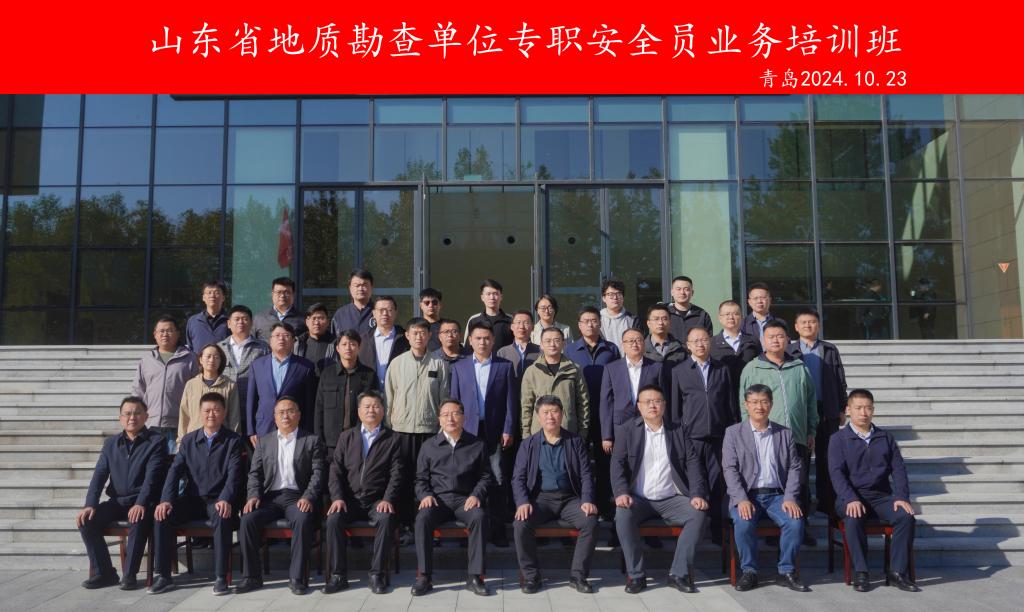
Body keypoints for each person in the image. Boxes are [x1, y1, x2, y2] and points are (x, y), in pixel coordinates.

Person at [612, 385, 709, 594]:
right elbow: (617, 465)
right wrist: (621, 493)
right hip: (638, 499)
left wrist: (697, 494)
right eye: (647, 402)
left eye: (657, 401)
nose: (652, 406)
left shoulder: (678, 430)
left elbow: (693, 463)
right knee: (622, 515)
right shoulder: (627, 430)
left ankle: (678, 573)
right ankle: (636, 576)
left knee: (698, 514)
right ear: (639, 406)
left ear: (664, 405)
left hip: (671, 497)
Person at [150, 392, 243, 595]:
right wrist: (166, 500)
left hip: (218, 500)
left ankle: (221, 577)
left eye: (216, 410)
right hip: (193, 499)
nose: (211, 414)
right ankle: (164, 576)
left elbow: (234, 475)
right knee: (162, 515)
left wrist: (226, 498)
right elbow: (174, 472)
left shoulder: (233, 441)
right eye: (207, 410)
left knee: (222, 516)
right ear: (200, 413)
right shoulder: (189, 440)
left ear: (224, 413)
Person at [829, 389, 919, 592]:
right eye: (858, 408)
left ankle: (897, 572)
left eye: (868, 408)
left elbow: (899, 469)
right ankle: (861, 572)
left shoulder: (885, 438)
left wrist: (901, 497)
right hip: (850, 497)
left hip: (880, 497)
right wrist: (850, 498)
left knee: (905, 516)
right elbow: (836, 473)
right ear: (848, 410)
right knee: (853, 517)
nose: (863, 413)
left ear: (873, 410)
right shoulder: (838, 439)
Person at [722, 384, 808, 593]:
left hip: (777, 495)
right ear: (746, 405)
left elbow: (795, 467)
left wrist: (790, 497)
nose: (759, 407)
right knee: (743, 522)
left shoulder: (784, 433)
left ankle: (786, 571)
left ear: (771, 404)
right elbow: (729, 468)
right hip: (748, 495)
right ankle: (749, 571)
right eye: (754, 402)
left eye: (763, 402)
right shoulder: (733, 433)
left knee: (795, 522)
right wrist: (741, 499)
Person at [236, 397, 325, 595]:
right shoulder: (264, 442)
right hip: (270, 498)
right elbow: (255, 474)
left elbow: (318, 473)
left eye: (290, 411)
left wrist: (308, 497)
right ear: (275, 417)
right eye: (281, 412)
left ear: (299, 415)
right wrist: (253, 496)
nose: (286, 416)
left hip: (297, 497)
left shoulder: (311, 440)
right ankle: (251, 577)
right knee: (248, 519)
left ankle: (297, 578)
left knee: (302, 518)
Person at [76, 397, 168, 590]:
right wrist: (90, 504)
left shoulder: (156, 441)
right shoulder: (111, 443)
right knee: (87, 521)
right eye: (127, 413)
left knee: (138, 518)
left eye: (137, 413)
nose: (132, 417)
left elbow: (152, 478)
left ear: (146, 417)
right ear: (120, 418)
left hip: (144, 502)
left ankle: (130, 574)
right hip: (118, 501)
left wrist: (141, 503)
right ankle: (105, 573)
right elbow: (99, 475)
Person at [739, 320, 818, 543]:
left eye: (780, 336)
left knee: (799, 483)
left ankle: (800, 527)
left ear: (788, 340)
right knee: (775, 485)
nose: (776, 340)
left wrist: (811, 430)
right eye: (771, 336)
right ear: (763, 341)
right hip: (766, 438)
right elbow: (743, 406)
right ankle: (775, 528)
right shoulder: (752, 368)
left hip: (797, 435)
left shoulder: (799, 367)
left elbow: (810, 401)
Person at [512, 396, 598, 594]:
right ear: (538, 417)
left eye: (554, 411)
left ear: (562, 414)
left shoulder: (575, 442)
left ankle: (578, 576)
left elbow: (586, 474)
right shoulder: (529, 444)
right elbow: (518, 478)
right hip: (541, 499)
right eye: (545, 412)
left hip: (570, 499)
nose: (550, 416)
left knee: (590, 521)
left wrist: (587, 500)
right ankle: (531, 576)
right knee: (521, 523)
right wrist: (522, 502)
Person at [323, 390, 405, 595]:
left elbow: (397, 474)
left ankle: (377, 574)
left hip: (376, 501)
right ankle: (338, 575)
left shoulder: (393, 439)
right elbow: (335, 471)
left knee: (386, 518)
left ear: (383, 410)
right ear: (359, 411)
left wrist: (387, 499)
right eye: (366, 406)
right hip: (349, 500)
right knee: (333, 519)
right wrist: (337, 498)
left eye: (376, 406)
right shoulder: (346, 437)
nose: (371, 410)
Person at [412, 399, 493, 597]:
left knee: (479, 517)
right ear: (439, 419)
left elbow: (486, 477)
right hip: (437, 500)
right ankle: (424, 576)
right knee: (422, 518)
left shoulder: (477, 444)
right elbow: (420, 479)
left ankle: (475, 577)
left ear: (464, 417)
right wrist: (425, 495)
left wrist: (476, 495)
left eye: (455, 413)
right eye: (445, 414)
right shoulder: (429, 446)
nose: (450, 418)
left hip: (465, 500)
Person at [450, 320, 517, 547]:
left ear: (493, 340)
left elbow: (510, 403)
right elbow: (454, 401)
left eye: (487, 338)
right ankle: (467, 531)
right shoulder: (459, 367)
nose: (482, 342)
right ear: (470, 341)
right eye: (478, 338)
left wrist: (508, 428)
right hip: (467, 431)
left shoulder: (504, 366)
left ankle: (498, 530)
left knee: (497, 478)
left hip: (494, 430)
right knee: (466, 478)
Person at [384, 317, 451, 544]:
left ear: (429, 336)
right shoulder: (397, 364)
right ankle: (405, 526)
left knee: (429, 480)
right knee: (402, 479)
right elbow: (389, 399)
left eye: (423, 333)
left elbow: (444, 399)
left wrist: (442, 431)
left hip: (430, 431)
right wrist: (389, 430)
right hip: (401, 431)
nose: (419, 337)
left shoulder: (439, 364)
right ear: (407, 336)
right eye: (414, 333)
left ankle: (429, 527)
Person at [670, 326, 740, 544]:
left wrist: (732, 432)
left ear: (710, 342)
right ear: (688, 345)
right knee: (694, 484)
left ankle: (717, 530)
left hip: (719, 436)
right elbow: (675, 409)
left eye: (704, 340)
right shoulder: (679, 371)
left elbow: (730, 404)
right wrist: (678, 436)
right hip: (691, 438)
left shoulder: (722, 369)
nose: (700, 344)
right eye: (695, 341)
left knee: (718, 483)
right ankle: (696, 530)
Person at [787, 308, 848, 518]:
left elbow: (840, 379)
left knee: (828, 456)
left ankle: (827, 503)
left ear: (818, 325)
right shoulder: (789, 350)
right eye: (803, 322)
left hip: (826, 407)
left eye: (812, 322)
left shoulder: (829, 349)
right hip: (801, 410)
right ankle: (802, 504)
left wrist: (842, 407)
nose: (808, 325)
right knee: (801, 458)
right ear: (796, 327)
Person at [566, 306, 620, 518]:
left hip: (605, 415)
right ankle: (581, 507)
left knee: (605, 463)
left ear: (600, 323)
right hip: (579, 415)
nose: (590, 324)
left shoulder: (611, 349)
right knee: (578, 462)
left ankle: (605, 508)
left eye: (594, 320)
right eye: (586, 321)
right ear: (579, 325)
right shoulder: (570, 350)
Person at [130, 316, 199, 453]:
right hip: (150, 425)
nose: (165, 334)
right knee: (151, 463)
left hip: (179, 425)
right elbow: (138, 392)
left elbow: (196, 391)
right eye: (161, 331)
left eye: (169, 330)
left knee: (174, 464)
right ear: (155, 334)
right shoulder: (147, 360)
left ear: (178, 333)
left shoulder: (190, 358)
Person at [246, 323, 317, 443]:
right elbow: (251, 400)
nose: (281, 339)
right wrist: (251, 430)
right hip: (264, 427)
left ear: (293, 341)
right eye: (277, 335)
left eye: (286, 335)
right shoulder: (257, 365)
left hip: (294, 427)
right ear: (270, 340)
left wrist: (307, 430)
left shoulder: (305, 367)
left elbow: (309, 403)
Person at [314, 330, 380, 457]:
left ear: (359, 347)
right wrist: (319, 440)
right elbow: (319, 408)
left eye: (352, 344)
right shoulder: (327, 374)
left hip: (360, 440)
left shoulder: (369, 375)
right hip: (331, 442)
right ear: (337, 348)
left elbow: (375, 409)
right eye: (344, 344)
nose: (348, 348)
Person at [520, 327, 590, 441]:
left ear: (563, 344)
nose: (552, 344)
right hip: (539, 433)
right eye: (548, 341)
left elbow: (583, 403)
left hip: (568, 432)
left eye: (557, 340)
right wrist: (526, 435)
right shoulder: (532, 371)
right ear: (541, 345)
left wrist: (583, 432)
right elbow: (526, 406)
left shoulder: (574, 370)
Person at [218, 305, 271, 440]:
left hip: (252, 409)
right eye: (236, 319)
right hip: (225, 408)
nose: (241, 322)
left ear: (251, 323)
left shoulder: (263, 349)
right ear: (229, 323)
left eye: (245, 319)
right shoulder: (219, 348)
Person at [178, 343, 240, 445]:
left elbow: (234, 417)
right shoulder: (191, 384)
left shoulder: (230, 385)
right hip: (194, 441)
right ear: (200, 359)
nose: (212, 360)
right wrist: (181, 442)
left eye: (216, 357)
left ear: (221, 361)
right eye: (208, 356)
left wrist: (234, 443)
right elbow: (184, 415)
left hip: (221, 441)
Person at [358, 296, 409, 389]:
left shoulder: (406, 339)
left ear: (396, 313)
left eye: (389, 310)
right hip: (369, 392)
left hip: (398, 391)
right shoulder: (363, 340)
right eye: (381, 310)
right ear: (374, 313)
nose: (385, 313)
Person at [710, 300, 760, 390]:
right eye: (727, 314)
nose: (731, 317)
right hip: (722, 393)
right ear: (720, 318)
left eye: (735, 314)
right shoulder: (712, 343)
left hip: (749, 391)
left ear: (741, 317)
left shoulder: (753, 341)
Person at [464, 279, 513, 349]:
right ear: (482, 297)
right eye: (488, 294)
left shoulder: (511, 320)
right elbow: (468, 348)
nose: (492, 297)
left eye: (495, 294)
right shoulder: (474, 320)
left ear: (501, 297)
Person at [184, 281, 229, 353]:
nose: (212, 296)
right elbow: (190, 348)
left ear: (223, 297)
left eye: (216, 292)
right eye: (209, 293)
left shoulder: (230, 320)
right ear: (203, 298)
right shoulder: (193, 321)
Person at [666, 276, 714, 344]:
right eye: (678, 289)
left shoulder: (702, 315)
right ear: (672, 292)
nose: (682, 292)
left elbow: (708, 341)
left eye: (686, 289)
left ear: (692, 292)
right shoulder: (664, 314)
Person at [741, 283, 789, 349]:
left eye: (763, 298)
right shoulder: (742, 324)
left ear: (770, 300)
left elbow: (787, 347)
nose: (759, 301)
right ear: (749, 302)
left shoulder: (780, 323)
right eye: (755, 298)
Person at [497, 309, 541, 380]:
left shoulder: (540, 351)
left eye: (526, 323)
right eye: (518, 322)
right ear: (512, 327)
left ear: (532, 327)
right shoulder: (502, 352)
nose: (521, 327)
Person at [331, 268, 376, 337]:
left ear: (371, 287)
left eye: (364, 285)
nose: (360, 289)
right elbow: (334, 340)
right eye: (356, 285)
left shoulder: (379, 311)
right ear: (350, 288)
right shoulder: (340, 314)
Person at [599, 279, 641, 352]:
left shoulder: (633, 320)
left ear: (623, 297)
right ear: (604, 298)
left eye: (618, 294)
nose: (615, 297)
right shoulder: (597, 320)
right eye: (611, 294)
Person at [295, 302, 336, 371]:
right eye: (313, 318)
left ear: (328, 322)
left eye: (321, 318)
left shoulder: (335, 344)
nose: (316, 323)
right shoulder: (298, 343)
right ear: (307, 322)